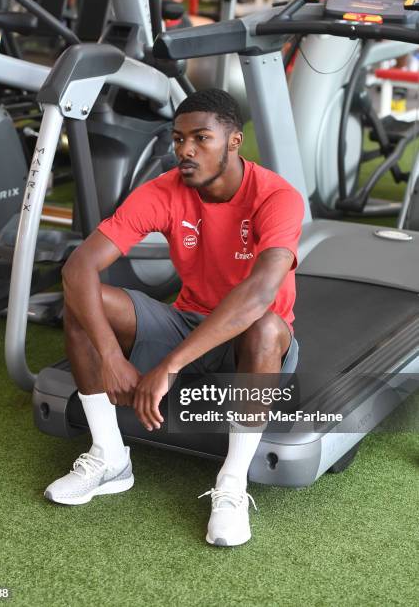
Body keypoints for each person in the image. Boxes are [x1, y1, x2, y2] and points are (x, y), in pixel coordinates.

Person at [44, 88, 304, 547]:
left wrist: (169, 365)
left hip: (253, 338)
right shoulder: (166, 189)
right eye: (178, 138)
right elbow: (79, 267)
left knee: (265, 325)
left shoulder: (276, 196)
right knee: (84, 301)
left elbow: (261, 292)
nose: (185, 150)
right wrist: (110, 356)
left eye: (201, 138)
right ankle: (109, 457)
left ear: (234, 141)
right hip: (186, 320)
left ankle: (231, 486)